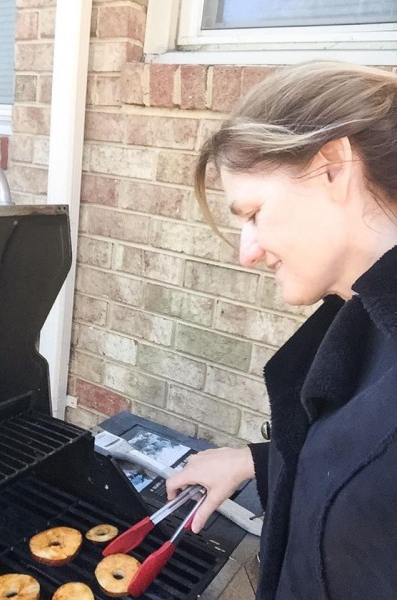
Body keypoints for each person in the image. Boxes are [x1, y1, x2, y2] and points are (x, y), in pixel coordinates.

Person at [166, 61, 397, 600]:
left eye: (253, 213)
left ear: (333, 168)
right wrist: (266, 462)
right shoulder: (361, 311)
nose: (247, 252)